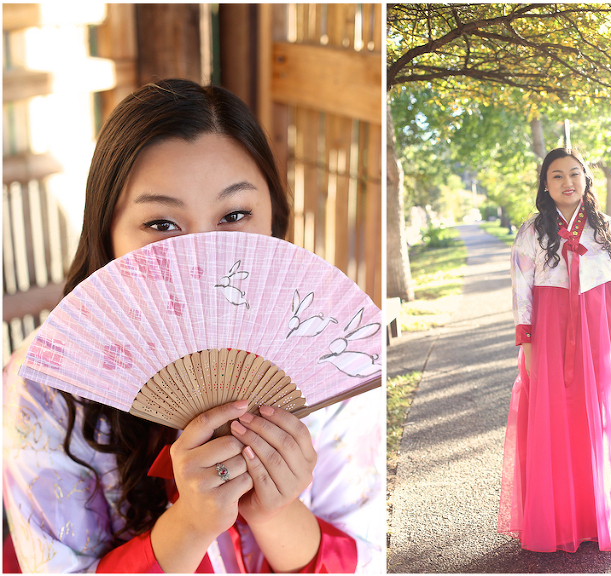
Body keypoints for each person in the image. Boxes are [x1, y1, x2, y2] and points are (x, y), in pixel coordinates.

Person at [3, 79, 384, 573]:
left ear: (273, 219)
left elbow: (368, 555)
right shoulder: (47, 387)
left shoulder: (329, 351)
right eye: (162, 224)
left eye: (235, 214)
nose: (204, 261)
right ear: (107, 233)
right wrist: (190, 524)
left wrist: (275, 511)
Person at [497, 147, 611, 553]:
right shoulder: (532, 231)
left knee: (599, 416)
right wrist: (527, 344)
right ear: (545, 184)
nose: (567, 182)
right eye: (557, 175)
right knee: (553, 416)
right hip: (550, 329)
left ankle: (599, 516)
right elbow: (521, 291)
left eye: (575, 173)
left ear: (586, 179)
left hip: (600, 327)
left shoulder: (607, 228)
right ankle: (560, 518)